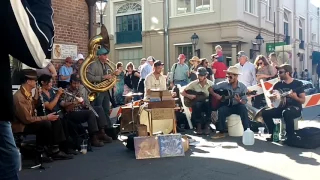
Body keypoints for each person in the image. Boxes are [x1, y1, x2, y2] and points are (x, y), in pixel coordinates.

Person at [2, 0, 55, 179]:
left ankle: (51, 150)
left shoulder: (33, 93)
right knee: (9, 162)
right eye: (33, 82)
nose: (35, 84)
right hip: (20, 125)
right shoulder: (19, 96)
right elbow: (39, 52)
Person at [13, 70, 72, 160]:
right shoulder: (19, 97)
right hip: (21, 125)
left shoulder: (28, 92)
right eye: (34, 80)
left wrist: (37, 96)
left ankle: (55, 149)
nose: (36, 82)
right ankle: (40, 151)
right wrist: (46, 117)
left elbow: (34, 106)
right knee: (45, 123)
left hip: (29, 120)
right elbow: (27, 119)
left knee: (55, 119)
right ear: (28, 82)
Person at [61, 74, 112, 146]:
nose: (76, 85)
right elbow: (65, 107)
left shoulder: (79, 90)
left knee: (99, 108)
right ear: (70, 83)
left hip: (81, 110)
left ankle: (102, 132)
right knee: (90, 113)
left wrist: (85, 104)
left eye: (78, 83)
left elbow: (84, 103)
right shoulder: (65, 92)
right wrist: (75, 102)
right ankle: (93, 137)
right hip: (72, 113)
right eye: (74, 83)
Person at [261, 64, 305, 141]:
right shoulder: (278, 84)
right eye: (278, 72)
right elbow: (268, 92)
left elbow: (303, 100)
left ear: (287, 73)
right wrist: (270, 96)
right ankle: (273, 133)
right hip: (280, 108)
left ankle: (290, 136)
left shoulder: (298, 84)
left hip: (295, 108)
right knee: (264, 112)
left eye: (280, 72)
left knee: (286, 113)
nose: (278, 74)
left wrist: (295, 97)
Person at [210, 66, 250, 139]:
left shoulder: (243, 87)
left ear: (236, 76)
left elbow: (244, 102)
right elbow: (210, 88)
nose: (228, 78)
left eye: (230, 77)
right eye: (227, 76)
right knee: (221, 110)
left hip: (238, 106)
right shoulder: (224, 84)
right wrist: (216, 95)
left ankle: (247, 131)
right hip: (227, 106)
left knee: (243, 108)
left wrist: (239, 100)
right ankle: (221, 132)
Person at [182, 67, 213, 135]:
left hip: (207, 103)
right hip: (197, 104)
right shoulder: (193, 83)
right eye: (198, 75)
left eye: (201, 75)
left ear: (205, 76)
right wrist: (189, 96)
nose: (199, 77)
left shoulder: (211, 84)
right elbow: (182, 92)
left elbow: (214, 95)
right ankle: (198, 126)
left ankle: (207, 125)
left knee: (209, 103)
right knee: (197, 104)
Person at [86, 47, 113, 119]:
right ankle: (100, 126)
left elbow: (110, 75)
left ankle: (107, 126)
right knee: (99, 108)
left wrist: (114, 74)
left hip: (106, 90)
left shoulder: (107, 64)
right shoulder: (94, 64)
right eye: (104, 55)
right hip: (98, 90)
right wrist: (103, 77)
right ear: (99, 56)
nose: (106, 56)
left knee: (106, 109)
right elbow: (89, 77)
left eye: (106, 55)